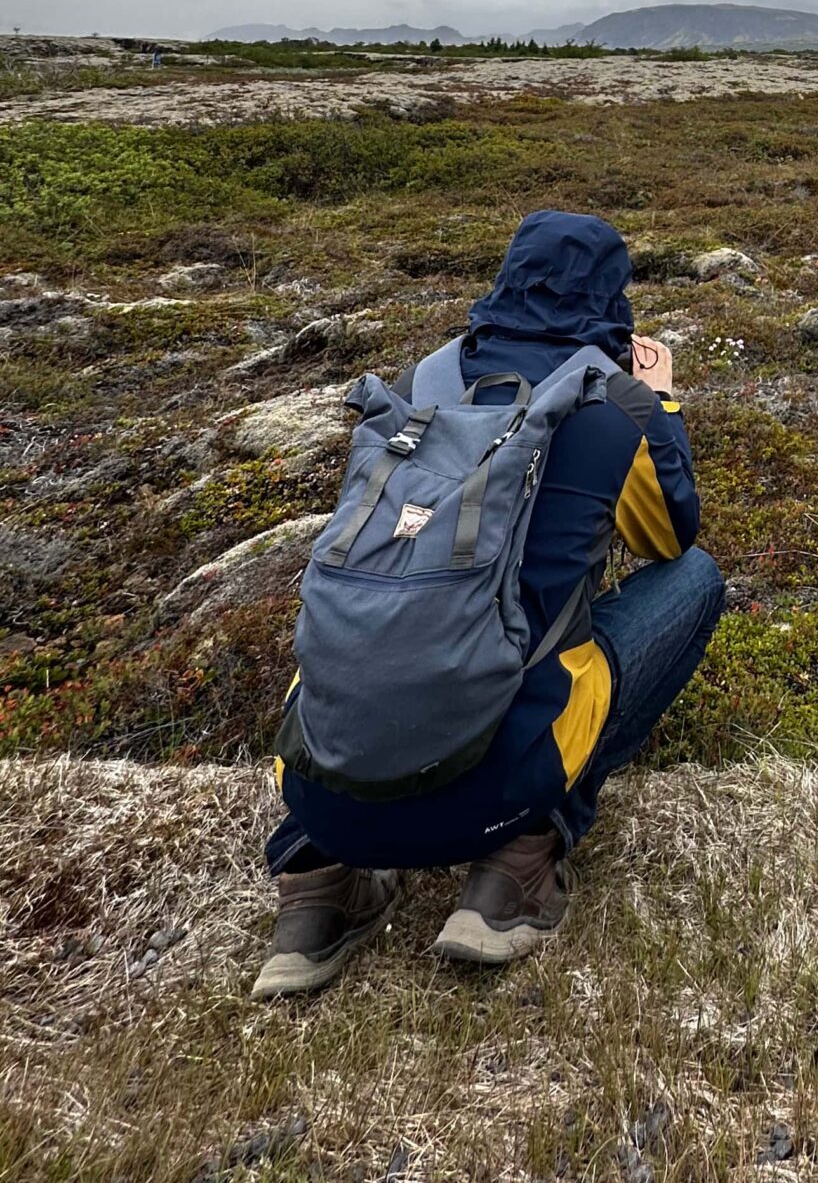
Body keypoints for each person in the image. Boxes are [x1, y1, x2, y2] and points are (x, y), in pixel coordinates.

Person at [251, 209, 724, 999]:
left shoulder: (414, 389)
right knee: (697, 580)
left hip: (319, 786)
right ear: (615, 302)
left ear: (506, 280)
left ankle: (315, 890)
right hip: (496, 790)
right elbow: (671, 536)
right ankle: (521, 863)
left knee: (384, 610)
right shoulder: (613, 407)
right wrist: (661, 403)